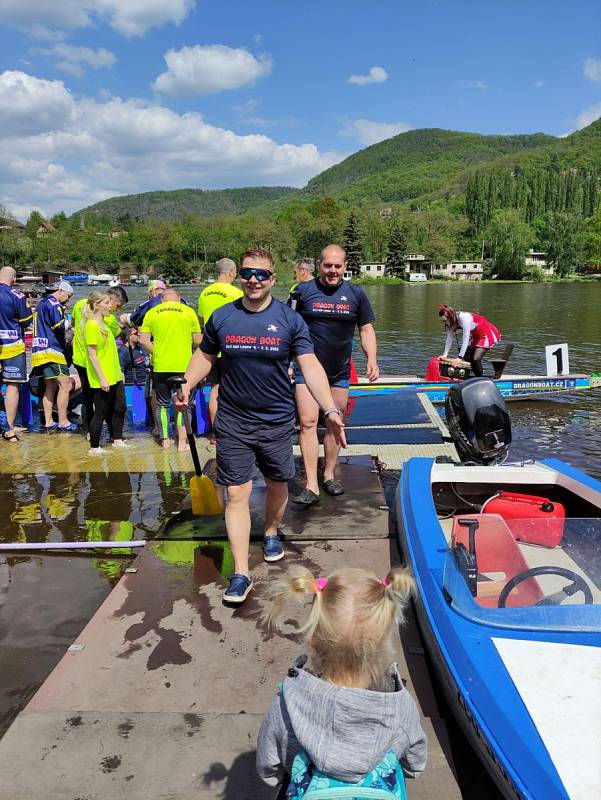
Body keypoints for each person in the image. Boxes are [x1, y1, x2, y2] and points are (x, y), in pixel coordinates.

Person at [176, 246, 346, 604]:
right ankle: (241, 573)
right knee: (236, 493)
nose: (254, 280)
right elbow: (205, 356)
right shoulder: (222, 317)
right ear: (239, 276)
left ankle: (271, 531)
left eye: (261, 274)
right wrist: (188, 384)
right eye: (247, 273)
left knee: (277, 483)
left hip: (275, 419)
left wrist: (330, 409)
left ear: (273, 279)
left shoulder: (290, 320)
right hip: (234, 419)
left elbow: (310, 366)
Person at [256, 565, 427, 794]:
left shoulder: (284, 708)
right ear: (383, 643)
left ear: (313, 639)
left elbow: (269, 770)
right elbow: (415, 765)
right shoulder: (401, 709)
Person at [290, 244, 379, 504]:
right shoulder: (302, 291)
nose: (332, 271)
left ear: (345, 265)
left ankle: (328, 474)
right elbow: (289, 328)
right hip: (306, 369)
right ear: (319, 265)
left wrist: (371, 358)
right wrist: (286, 362)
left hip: (339, 370)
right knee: (307, 422)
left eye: (337, 266)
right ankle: (311, 484)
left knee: (334, 422)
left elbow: (366, 329)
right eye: (328, 265)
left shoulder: (356, 294)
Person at [139, 288, 202, 451]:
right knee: (184, 403)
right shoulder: (189, 311)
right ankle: (182, 443)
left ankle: (165, 440)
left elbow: (144, 341)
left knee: (162, 404)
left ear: (162, 300)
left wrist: (158, 352)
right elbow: (197, 341)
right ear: (179, 299)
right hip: (185, 366)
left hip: (161, 365)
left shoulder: (152, 313)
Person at [72, 285, 127, 433]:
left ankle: (89, 432)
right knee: (104, 401)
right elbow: (115, 336)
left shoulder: (79, 304)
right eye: (118, 305)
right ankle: (110, 434)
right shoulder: (107, 317)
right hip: (94, 362)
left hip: (79, 359)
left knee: (87, 398)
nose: (116, 308)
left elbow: (72, 325)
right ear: (112, 298)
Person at [197, 258, 243, 425]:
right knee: (236, 389)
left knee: (215, 389)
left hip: (211, 348)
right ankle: (235, 427)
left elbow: (201, 321)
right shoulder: (236, 293)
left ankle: (217, 431)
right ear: (231, 273)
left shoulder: (204, 293)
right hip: (233, 348)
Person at [82, 290, 128, 454]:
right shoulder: (92, 325)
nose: (111, 306)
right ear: (96, 305)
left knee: (120, 407)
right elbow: (92, 354)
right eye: (107, 303)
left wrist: (119, 371)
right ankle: (94, 447)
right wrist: (102, 378)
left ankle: (117, 439)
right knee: (100, 412)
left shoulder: (104, 323)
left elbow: (110, 351)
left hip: (114, 374)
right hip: (102, 376)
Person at [31, 280, 79, 433]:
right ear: (61, 291)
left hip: (39, 350)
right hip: (53, 351)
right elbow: (59, 326)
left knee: (50, 386)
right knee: (65, 385)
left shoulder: (41, 303)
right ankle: (63, 421)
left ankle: (49, 422)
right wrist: (71, 321)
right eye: (68, 296)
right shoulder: (54, 304)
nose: (68, 299)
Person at [0, 266, 33, 442]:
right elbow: (26, 321)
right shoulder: (17, 295)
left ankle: (4, 426)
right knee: (12, 386)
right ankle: (10, 426)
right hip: (12, 344)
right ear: (13, 279)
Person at [439, 304, 501, 378]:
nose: (444, 323)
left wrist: (459, 358)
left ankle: (479, 379)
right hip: (476, 334)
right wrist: (444, 355)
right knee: (467, 357)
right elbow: (449, 338)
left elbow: (465, 340)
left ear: (450, 317)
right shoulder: (453, 320)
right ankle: (471, 376)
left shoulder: (465, 319)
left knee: (475, 359)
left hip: (486, 333)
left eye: (445, 321)